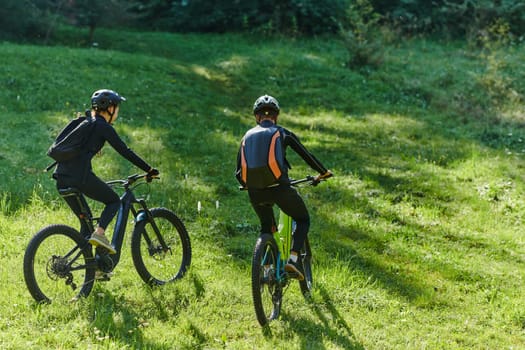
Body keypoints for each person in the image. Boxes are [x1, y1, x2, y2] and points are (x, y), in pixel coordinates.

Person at [236, 95, 332, 280]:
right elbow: (306, 154)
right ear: (276, 116)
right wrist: (323, 172)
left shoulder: (246, 137)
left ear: (257, 117)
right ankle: (294, 260)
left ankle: (267, 270)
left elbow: (238, 172)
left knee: (266, 228)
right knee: (303, 219)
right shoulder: (282, 132)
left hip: (256, 193)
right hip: (280, 189)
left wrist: (248, 186)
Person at [53, 89, 158, 254]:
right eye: (117, 107)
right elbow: (125, 150)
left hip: (61, 179)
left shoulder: (88, 122)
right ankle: (101, 234)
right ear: (110, 108)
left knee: (86, 227)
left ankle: (94, 269)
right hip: (79, 177)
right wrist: (149, 169)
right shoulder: (103, 126)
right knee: (114, 201)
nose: (117, 111)